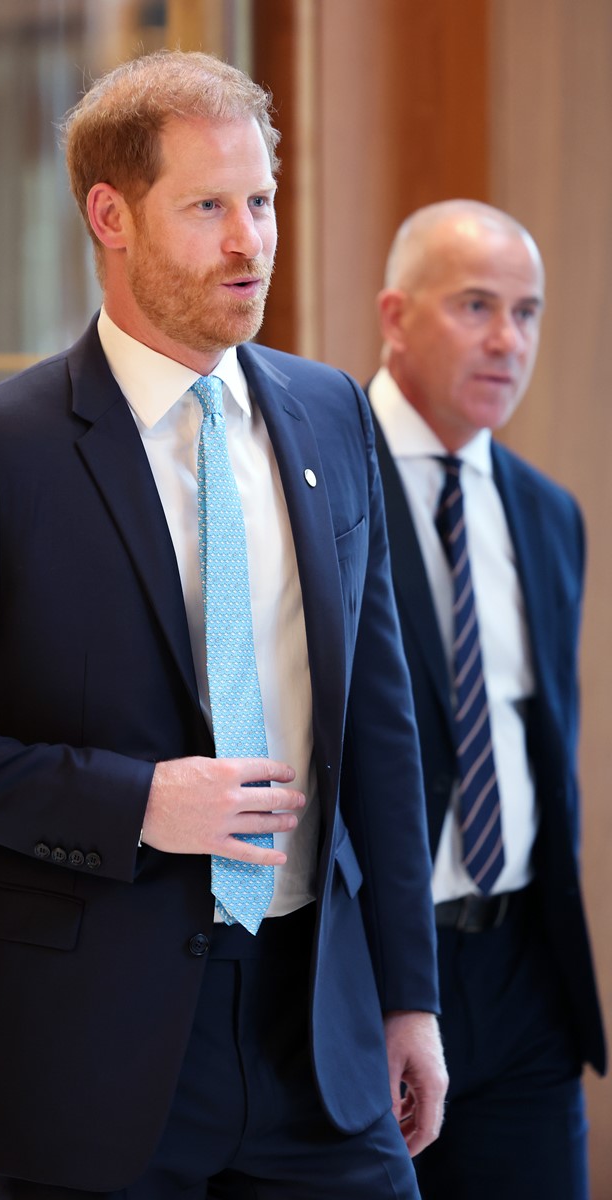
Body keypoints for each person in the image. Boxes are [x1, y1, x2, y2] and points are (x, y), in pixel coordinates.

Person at [0, 50, 447, 1199]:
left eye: (259, 201)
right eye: (208, 207)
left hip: (321, 1035)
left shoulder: (328, 413)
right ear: (110, 216)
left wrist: (408, 997)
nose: (249, 242)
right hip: (89, 1050)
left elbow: (383, 730)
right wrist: (135, 803)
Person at [368, 198, 607, 1200]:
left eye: (526, 311)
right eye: (474, 306)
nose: (507, 340)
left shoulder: (548, 515)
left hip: (521, 974)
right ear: (394, 317)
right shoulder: (312, 486)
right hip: (371, 976)